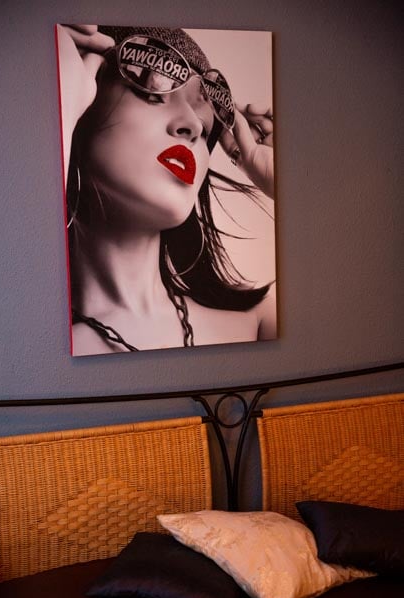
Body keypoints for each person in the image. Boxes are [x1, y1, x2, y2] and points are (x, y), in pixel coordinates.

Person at [56, 24, 276, 356]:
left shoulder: (260, 323)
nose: (193, 124)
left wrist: (291, 181)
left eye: (207, 123)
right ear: (82, 99)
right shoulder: (28, 346)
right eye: (153, 88)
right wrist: (51, 124)